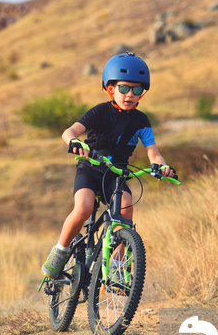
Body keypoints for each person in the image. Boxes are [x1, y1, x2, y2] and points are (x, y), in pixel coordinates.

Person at [42, 52, 176, 279]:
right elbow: (70, 132)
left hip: (117, 173)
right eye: (124, 88)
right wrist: (74, 141)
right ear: (110, 88)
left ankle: (116, 266)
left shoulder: (141, 121)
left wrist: (161, 166)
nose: (130, 95)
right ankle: (60, 250)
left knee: (125, 208)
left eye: (137, 90)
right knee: (83, 208)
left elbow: (154, 153)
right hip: (90, 167)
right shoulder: (101, 111)